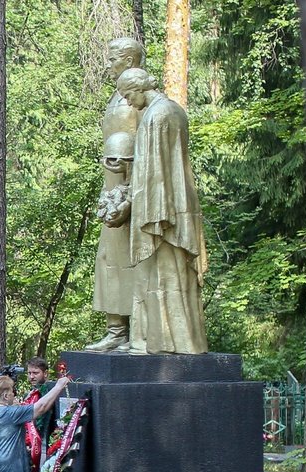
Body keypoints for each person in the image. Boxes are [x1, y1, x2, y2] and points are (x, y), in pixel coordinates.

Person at [116, 67, 209, 355]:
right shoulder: (173, 110)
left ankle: (166, 342)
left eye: (129, 95)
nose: (129, 103)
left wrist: (150, 215)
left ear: (141, 88)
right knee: (171, 277)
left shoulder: (157, 116)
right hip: (179, 205)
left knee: (164, 276)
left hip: (163, 210)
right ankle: (172, 340)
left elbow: (154, 173)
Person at [87, 37, 144, 352]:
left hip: (130, 191)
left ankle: (137, 332)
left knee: (132, 262)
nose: (108, 66)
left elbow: (142, 149)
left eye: (113, 60)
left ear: (130, 61)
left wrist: (129, 194)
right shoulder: (118, 98)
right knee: (109, 260)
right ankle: (116, 330)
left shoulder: (138, 101)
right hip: (112, 189)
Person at [24, 357, 56, 448]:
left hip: (47, 440)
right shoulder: (28, 394)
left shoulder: (51, 392)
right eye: (29, 373)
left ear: (45, 373)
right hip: (30, 442)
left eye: (35, 373)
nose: (31, 377)